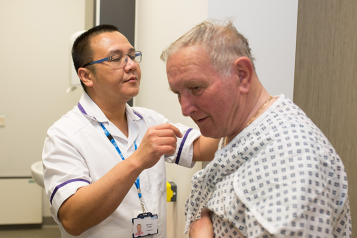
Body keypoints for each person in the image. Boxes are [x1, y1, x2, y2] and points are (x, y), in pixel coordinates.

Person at [161, 19, 352, 238]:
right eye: (178, 93)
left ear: (242, 75)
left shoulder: (292, 158)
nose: (185, 109)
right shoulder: (238, 130)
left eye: (196, 88)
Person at [42, 24, 218, 238]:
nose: (132, 65)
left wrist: (242, 110)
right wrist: (137, 160)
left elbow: (203, 148)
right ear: (86, 76)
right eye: (116, 58)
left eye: (133, 56)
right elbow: (72, 219)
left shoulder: (150, 120)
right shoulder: (64, 134)